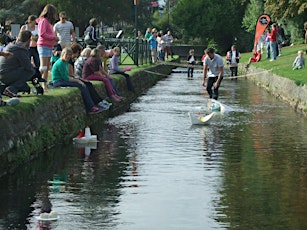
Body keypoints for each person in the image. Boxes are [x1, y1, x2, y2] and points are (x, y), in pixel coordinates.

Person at [51, 47, 104, 114]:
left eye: (70, 55)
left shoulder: (65, 62)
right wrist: (78, 81)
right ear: (63, 54)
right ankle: (90, 107)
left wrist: (79, 79)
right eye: (67, 54)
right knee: (81, 86)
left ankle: (94, 103)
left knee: (86, 84)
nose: (68, 56)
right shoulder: (60, 63)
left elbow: (69, 75)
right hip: (58, 81)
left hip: (62, 79)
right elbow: (65, 78)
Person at [0, 30, 35, 98]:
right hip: (7, 74)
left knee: (25, 87)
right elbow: (28, 67)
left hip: (2, 73)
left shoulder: (11, 45)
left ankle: (4, 88)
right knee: (31, 71)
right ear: (28, 40)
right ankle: (11, 89)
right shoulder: (20, 49)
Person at [36, 4, 59, 91]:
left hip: (49, 46)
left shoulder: (48, 23)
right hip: (43, 45)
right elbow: (42, 34)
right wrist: (54, 38)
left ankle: (44, 86)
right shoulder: (43, 21)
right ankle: (37, 82)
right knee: (43, 67)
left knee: (47, 67)